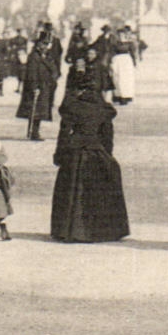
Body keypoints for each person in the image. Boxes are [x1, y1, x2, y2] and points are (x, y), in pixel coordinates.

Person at [49, 67, 130, 243]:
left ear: (78, 89)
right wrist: (106, 157)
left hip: (75, 150)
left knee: (71, 190)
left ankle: (68, 229)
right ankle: (99, 231)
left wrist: (60, 154)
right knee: (98, 191)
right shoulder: (103, 109)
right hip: (96, 151)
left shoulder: (72, 107)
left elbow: (64, 134)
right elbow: (108, 137)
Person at [17, 26, 61, 141]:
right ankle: (33, 132)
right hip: (37, 87)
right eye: (43, 44)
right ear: (38, 44)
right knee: (34, 110)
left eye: (47, 44)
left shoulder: (47, 56)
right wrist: (35, 87)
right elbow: (32, 74)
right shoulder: (34, 56)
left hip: (45, 86)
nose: (45, 46)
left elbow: (54, 68)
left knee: (40, 110)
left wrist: (53, 78)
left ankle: (34, 131)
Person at [110, 25, 138, 106]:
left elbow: (132, 53)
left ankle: (126, 96)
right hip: (117, 61)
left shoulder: (129, 43)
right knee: (118, 78)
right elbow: (112, 52)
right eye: (119, 34)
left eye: (122, 34)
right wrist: (111, 61)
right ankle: (118, 96)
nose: (121, 36)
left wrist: (134, 62)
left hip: (126, 61)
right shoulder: (115, 44)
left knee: (126, 79)